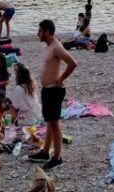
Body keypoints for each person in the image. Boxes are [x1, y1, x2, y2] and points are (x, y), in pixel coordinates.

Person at [28, 20, 78, 169]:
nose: (38, 34)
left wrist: (61, 79)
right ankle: (45, 152)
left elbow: (73, 63)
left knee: (55, 123)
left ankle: (58, 157)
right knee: (49, 121)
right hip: (47, 90)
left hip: (54, 91)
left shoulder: (56, 47)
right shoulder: (49, 46)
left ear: (48, 32)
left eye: (40, 31)